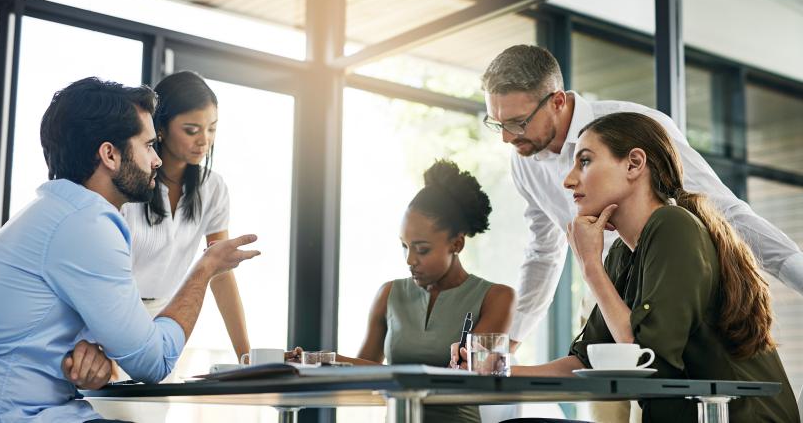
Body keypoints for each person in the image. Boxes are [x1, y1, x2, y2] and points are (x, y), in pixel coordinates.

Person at [480, 45, 803, 420]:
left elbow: (725, 211)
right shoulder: (615, 252)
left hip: (720, 392)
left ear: (556, 101)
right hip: (616, 284)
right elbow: (544, 257)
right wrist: (499, 366)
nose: (506, 137)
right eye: (496, 124)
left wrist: (590, 267)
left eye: (517, 122)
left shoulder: (672, 221)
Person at [0, 77, 260, 422]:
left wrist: (93, 350)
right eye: (149, 146)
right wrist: (205, 267)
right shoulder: (89, 226)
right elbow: (154, 362)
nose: (156, 161)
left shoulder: (61, 212)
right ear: (109, 154)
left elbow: (68, 316)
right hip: (20, 415)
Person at [339, 160, 515, 423]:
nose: (410, 260)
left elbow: (460, 376)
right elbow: (362, 376)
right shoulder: (388, 294)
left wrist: (343, 363)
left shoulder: (497, 298)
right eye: (404, 246)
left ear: (456, 244)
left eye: (421, 249)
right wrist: (322, 362)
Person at [120, 71, 249, 361]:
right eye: (191, 130)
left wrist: (246, 356)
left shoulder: (212, 188)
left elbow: (220, 273)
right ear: (161, 128)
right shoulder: (129, 183)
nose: (204, 141)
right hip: (113, 316)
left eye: (212, 129)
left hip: (167, 320)